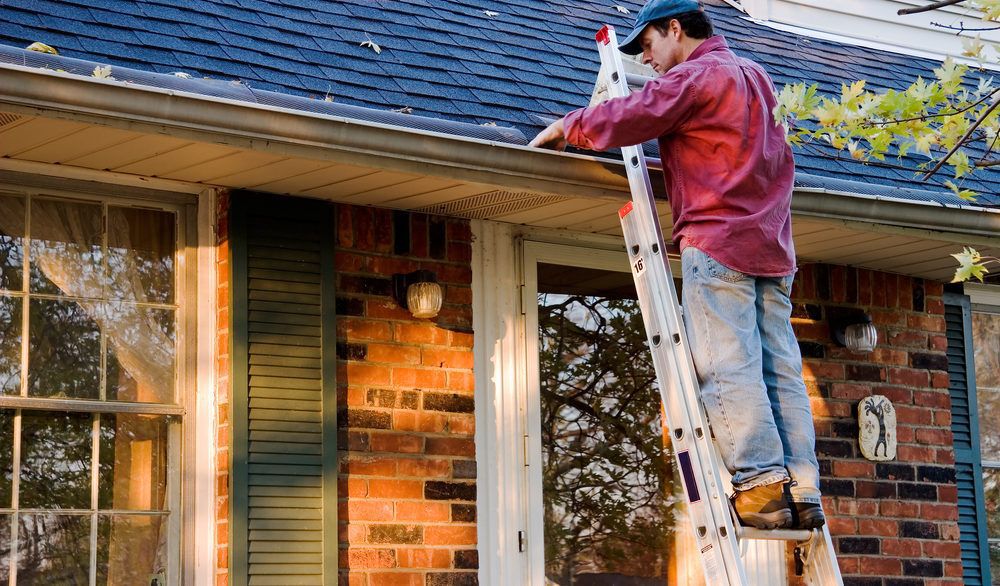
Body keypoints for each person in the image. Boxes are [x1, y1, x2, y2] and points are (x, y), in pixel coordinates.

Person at [529, 0, 824, 530]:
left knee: (728, 365)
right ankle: (801, 489)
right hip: (772, 249)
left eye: (648, 47)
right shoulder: (757, 78)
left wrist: (568, 126)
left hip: (719, 242)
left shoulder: (698, 76)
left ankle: (759, 488)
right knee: (779, 369)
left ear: (675, 28)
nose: (649, 62)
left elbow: (633, 115)